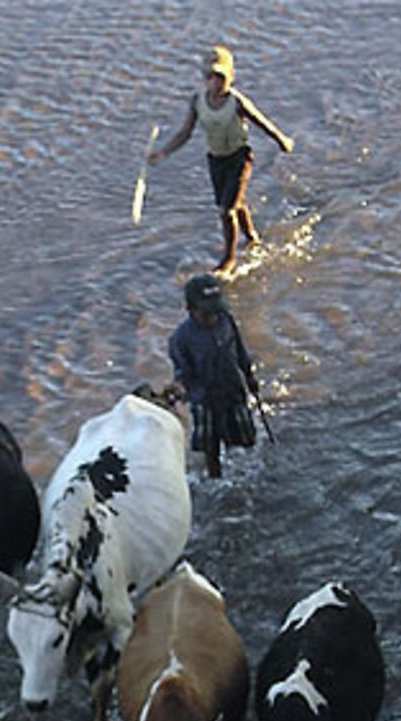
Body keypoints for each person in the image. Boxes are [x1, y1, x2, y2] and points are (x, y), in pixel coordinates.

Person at [148, 44, 294, 277]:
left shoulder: (236, 102)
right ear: (204, 79)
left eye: (221, 77)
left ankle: (229, 258)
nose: (216, 83)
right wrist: (163, 152)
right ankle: (252, 237)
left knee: (227, 210)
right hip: (216, 161)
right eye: (211, 78)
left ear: (230, 77)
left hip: (239, 157)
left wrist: (281, 139)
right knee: (236, 203)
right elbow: (185, 132)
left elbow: (261, 122)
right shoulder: (197, 101)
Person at [168, 274, 259, 479]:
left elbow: (240, 350)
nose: (213, 318)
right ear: (190, 310)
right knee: (211, 445)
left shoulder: (226, 320)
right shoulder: (181, 339)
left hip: (232, 389)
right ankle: (215, 475)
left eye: (215, 311)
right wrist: (185, 390)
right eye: (207, 313)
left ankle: (247, 472)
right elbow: (183, 373)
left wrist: (249, 375)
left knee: (245, 435)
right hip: (205, 399)